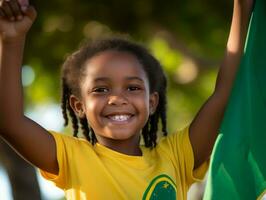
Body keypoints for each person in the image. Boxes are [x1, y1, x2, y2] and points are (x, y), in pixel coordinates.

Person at [0, 0, 253, 199]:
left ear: (152, 102)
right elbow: (9, 121)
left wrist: (241, 8)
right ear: (78, 106)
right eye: (100, 90)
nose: (117, 98)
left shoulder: (176, 157)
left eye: (132, 88)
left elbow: (224, 95)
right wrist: (11, 41)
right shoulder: (72, 157)